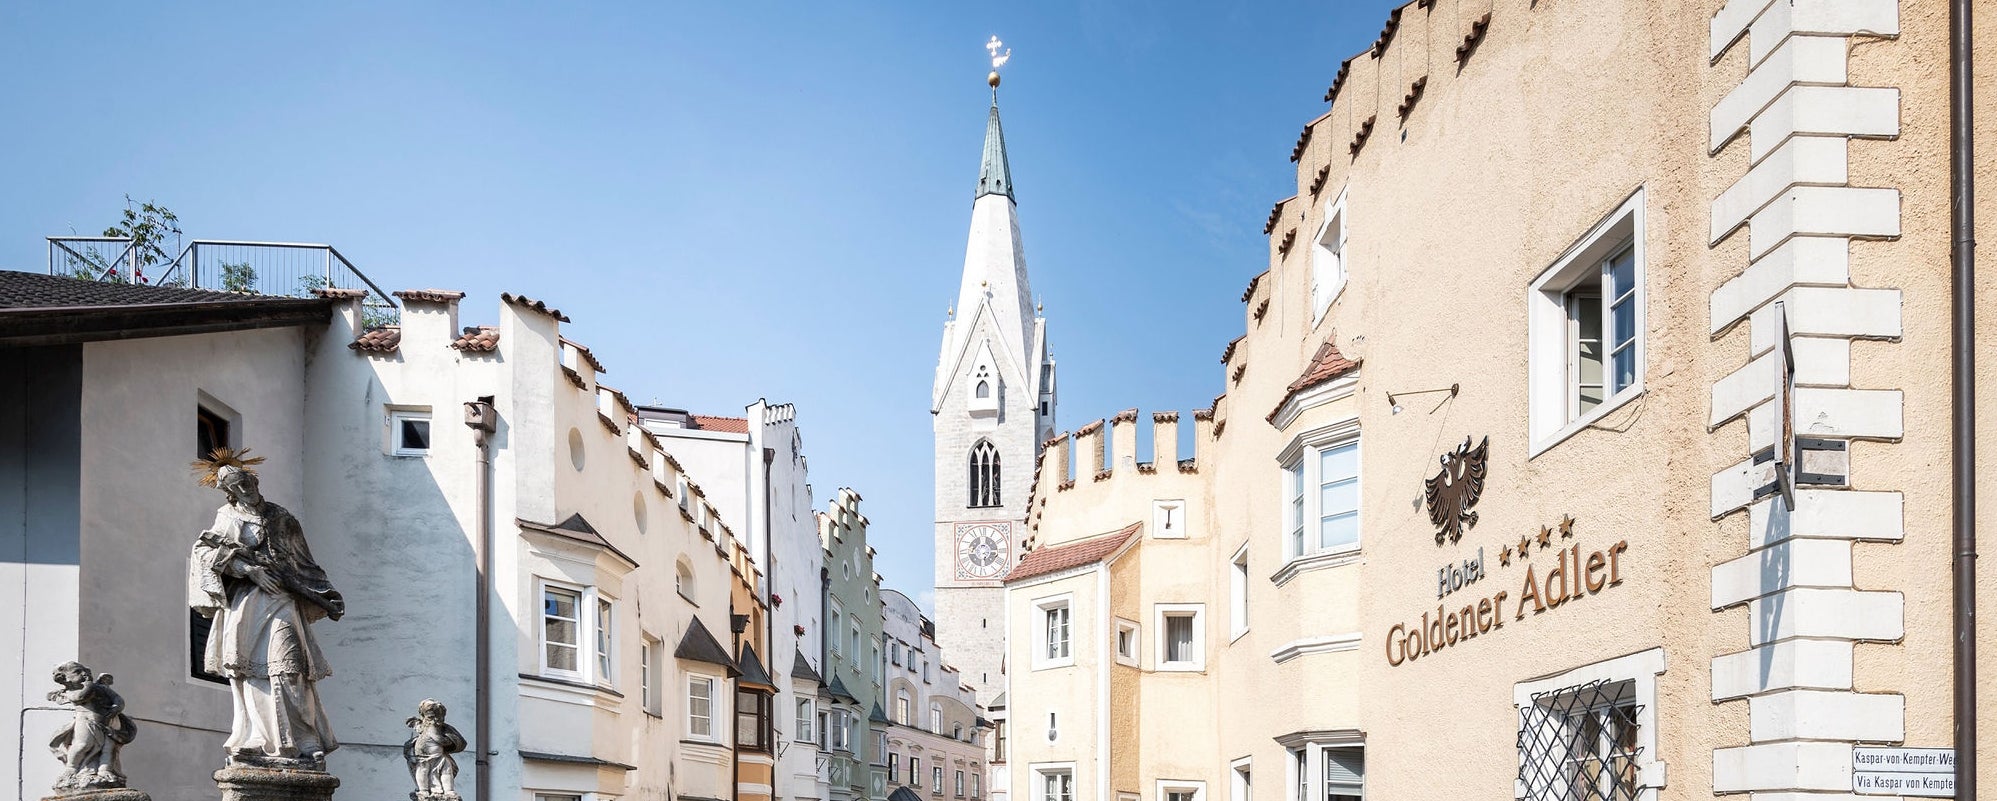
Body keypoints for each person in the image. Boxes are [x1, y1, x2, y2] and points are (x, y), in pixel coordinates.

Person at [188, 449, 344, 769]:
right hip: (247, 602)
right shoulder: (228, 517)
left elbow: (304, 562)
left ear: (253, 478)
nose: (244, 487)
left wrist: (325, 594)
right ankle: (258, 739)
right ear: (229, 492)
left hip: (282, 599)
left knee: (290, 666)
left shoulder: (282, 517)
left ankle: (305, 739)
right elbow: (205, 551)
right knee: (250, 671)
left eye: (245, 480)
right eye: (236, 485)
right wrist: (248, 570)